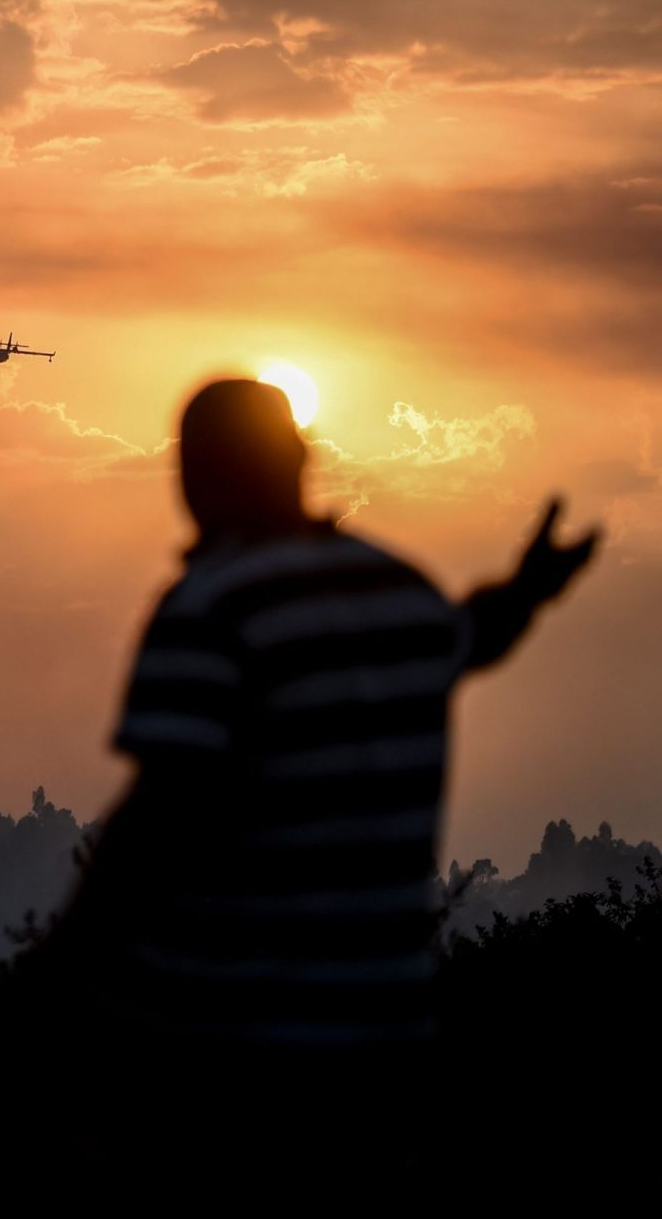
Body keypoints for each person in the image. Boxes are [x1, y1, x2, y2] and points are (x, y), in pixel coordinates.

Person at [49, 377, 597, 1174]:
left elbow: (156, 822)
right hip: (388, 1055)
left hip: (233, 1064)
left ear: (198, 476)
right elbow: (474, 636)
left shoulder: (210, 610)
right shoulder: (401, 592)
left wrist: (56, 988)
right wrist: (530, 589)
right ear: (299, 458)